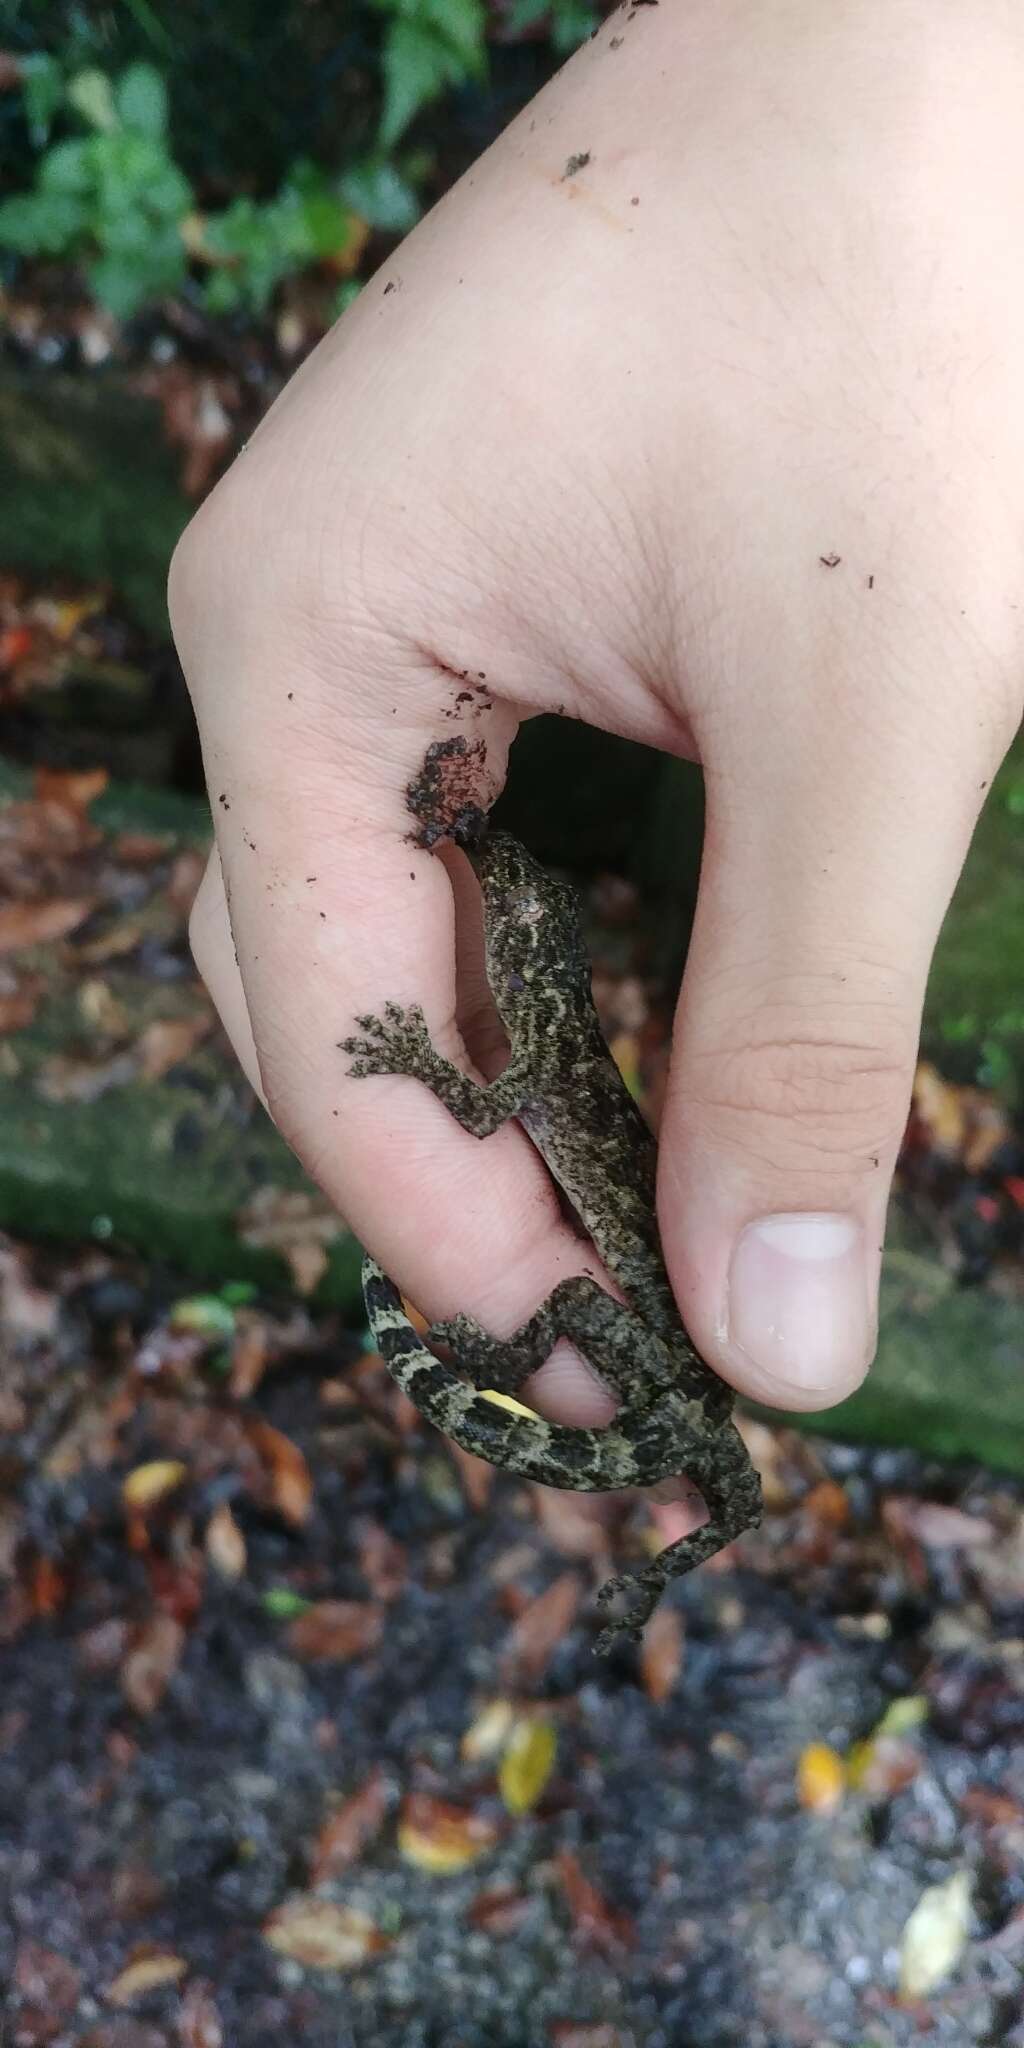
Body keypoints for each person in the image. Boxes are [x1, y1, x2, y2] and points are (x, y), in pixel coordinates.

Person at [168, 0, 1023, 1498]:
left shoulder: (544, 1054)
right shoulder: (551, 1047)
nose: (516, 921)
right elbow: (501, 1090)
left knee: (594, 1361)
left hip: (624, 1307)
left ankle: (505, 1395)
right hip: (636, 1313)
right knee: (645, 1407)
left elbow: (492, 1097)